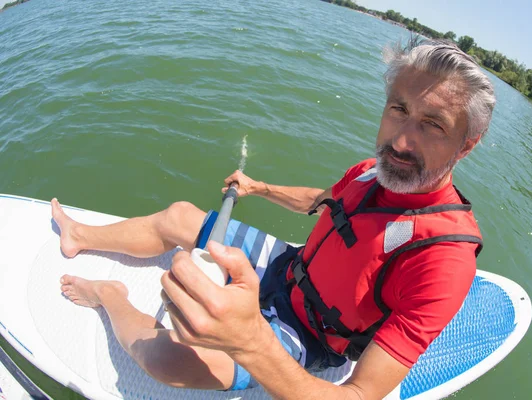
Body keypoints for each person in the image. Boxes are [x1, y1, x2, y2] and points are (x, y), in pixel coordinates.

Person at [53, 41, 496, 399]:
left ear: (466, 145)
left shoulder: (444, 262)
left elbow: (361, 394)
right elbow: (324, 201)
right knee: (180, 218)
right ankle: (80, 234)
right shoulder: (369, 170)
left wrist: (250, 340)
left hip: (309, 334)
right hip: (288, 268)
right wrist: (258, 187)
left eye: (433, 125)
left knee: (168, 361)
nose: (401, 140)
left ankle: (108, 296)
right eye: (398, 109)